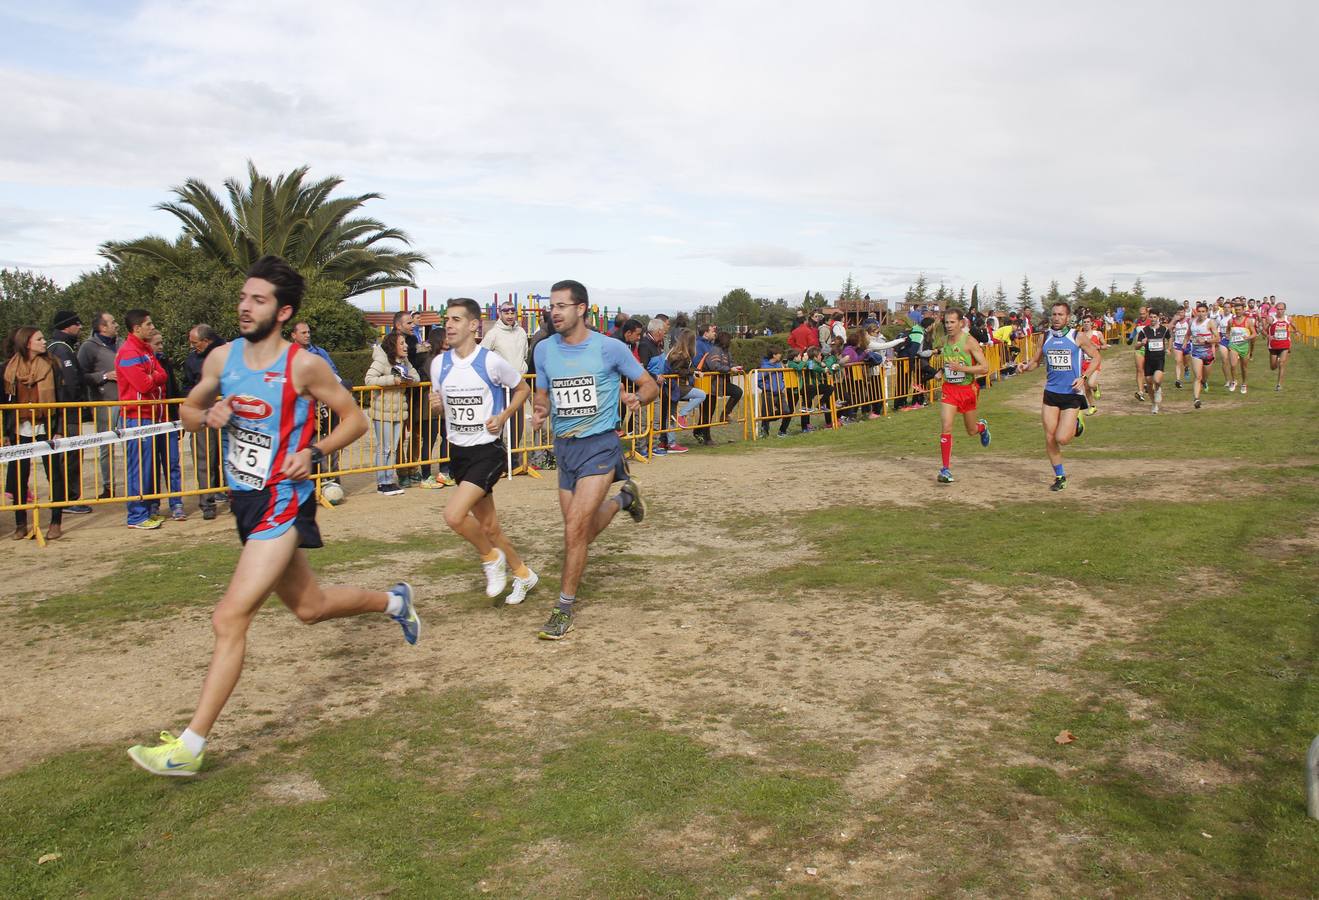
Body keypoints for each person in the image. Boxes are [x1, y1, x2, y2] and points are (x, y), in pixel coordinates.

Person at [126, 255, 419, 777]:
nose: (244, 306)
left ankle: (189, 748)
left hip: (284, 499)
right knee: (310, 607)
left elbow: (354, 419)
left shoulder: (301, 365)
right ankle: (395, 603)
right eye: (243, 296)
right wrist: (207, 414)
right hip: (245, 499)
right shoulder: (222, 358)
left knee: (229, 617)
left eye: (257, 300)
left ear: (282, 311)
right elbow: (186, 412)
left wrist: (315, 451)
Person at [529, 279, 658, 640]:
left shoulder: (609, 348)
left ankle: (563, 608)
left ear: (581, 308)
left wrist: (637, 400)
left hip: (600, 446)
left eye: (562, 306)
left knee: (573, 529)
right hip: (565, 449)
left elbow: (650, 386)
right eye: (552, 306)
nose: (554, 312)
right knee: (579, 531)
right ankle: (624, 500)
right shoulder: (543, 350)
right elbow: (542, 394)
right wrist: (540, 412)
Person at [431, 298, 538, 605]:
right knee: (490, 527)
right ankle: (523, 574)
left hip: (487, 451)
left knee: (453, 516)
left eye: (455, 319)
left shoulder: (489, 361)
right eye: (446, 319)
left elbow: (522, 389)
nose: (448, 325)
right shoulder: (439, 363)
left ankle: (491, 559)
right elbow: (438, 402)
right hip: (458, 452)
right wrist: (436, 406)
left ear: (474, 325)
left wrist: (503, 416)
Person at [1018, 301, 1100, 491]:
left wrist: (1084, 377)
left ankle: (1078, 422)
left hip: (1071, 394)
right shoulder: (1045, 337)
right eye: (1054, 314)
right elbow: (1035, 362)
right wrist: (1024, 367)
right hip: (1051, 394)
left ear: (1068, 317)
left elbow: (1096, 357)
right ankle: (1060, 476)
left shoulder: (1076, 336)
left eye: (1060, 315)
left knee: (1063, 438)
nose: (1056, 318)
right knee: (1049, 437)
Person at [3, 326, 70, 540]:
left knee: (54, 474)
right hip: (18, 428)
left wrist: (59, 429)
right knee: (18, 475)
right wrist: (4, 432)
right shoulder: (8, 368)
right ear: (27, 343)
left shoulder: (53, 366)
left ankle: (55, 522)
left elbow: (61, 399)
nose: (44, 342)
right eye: (39, 339)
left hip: (46, 425)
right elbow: (4, 403)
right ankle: (20, 523)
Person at [115, 309, 168, 529]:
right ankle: (136, 515)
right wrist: (152, 377)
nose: (152, 327)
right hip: (136, 417)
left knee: (148, 468)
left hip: (151, 416)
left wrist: (153, 376)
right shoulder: (128, 352)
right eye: (149, 324)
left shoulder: (145, 350)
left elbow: (163, 375)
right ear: (137, 328)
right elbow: (143, 385)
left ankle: (145, 511)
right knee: (138, 468)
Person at [45, 311, 93, 515]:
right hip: (67, 412)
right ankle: (68, 498)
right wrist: (78, 406)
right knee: (71, 454)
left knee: (66, 455)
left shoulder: (54, 347)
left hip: (61, 412)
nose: (80, 327)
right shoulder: (62, 349)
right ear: (67, 326)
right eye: (77, 324)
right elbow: (71, 383)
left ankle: (63, 496)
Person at [935, 309, 991, 484]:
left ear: (961, 323)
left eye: (952, 322)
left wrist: (963, 369)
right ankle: (945, 470)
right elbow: (948, 362)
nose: (949, 326)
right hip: (950, 389)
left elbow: (985, 368)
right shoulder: (944, 341)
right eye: (946, 322)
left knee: (971, 430)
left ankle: (981, 427)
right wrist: (941, 370)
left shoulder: (970, 342)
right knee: (946, 426)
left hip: (968, 390)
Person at [365, 329, 419, 495]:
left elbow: (417, 378)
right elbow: (368, 380)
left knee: (394, 447)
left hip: (398, 411)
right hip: (382, 411)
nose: (406, 346)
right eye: (402, 343)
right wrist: (392, 380)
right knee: (384, 447)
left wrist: (408, 381)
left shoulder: (405, 361)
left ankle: (390, 479)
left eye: (405, 343)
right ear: (392, 346)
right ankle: (382, 482)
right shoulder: (381, 360)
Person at [481, 299, 531, 473]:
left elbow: (524, 354)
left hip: (518, 385)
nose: (510, 315)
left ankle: (513, 458)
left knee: (517, 424)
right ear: (500, 314)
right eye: (506, 312)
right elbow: (482, 356)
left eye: (512, 312)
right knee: (499, 423)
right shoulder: (493, 334)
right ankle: (497, 460)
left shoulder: (522, 332)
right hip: (499, 386)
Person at [184, 325, 227, 519]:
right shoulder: (192, 360)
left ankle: (237, 497)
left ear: (206, 341)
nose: (193, 347)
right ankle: (207, 503)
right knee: (204, 459)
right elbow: (186, 385)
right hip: (203, 414)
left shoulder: (228, 354)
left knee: (230, 456)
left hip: (228, 413)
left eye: (195, 343)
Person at [77, 311, 121, 498]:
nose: (116, 324)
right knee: (107, 446)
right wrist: (104, 376)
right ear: (102, 327)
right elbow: (81, 375)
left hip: (128, 400)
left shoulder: (122, 342)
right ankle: (108, 486)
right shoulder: (88, 347)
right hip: (105, 402)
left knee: (134, 442)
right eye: (112, 322)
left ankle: (138, 484)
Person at [149, 332, 187, 521]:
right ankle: (153, 504)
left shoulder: (166, 364)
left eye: (162, 343)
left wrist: (178, 419)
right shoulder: (144, 364)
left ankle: (177, 503)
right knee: (152, 466)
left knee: (172, 464)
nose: (161, 346)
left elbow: (175, 392)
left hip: (168, 423)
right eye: (157, 344)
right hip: (149, 423)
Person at [693, 330, 743, 445]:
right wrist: (730, 369)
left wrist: (736, 367)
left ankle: (724, 414)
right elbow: (714, 366)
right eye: (729, 339)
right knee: (707, 412)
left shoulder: (726, 351)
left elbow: (730, 363)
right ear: (725, 340)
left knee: (737, 392)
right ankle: (705, 437)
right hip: (709, 384)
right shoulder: (715, 350)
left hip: (720, 384)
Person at [1133, 312, 1170, 414]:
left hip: (1159, 359)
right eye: (1151, 317)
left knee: (1157, 380)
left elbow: (1169, 337)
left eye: (1155, 317)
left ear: (1158, 318)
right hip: (1148, 360)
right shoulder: (1144, 331)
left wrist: (1169, 348)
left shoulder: (1164, 329)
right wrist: (1141, 343)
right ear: (1149, 318)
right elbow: (1136, 347)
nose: (1153, 319)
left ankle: (1158, 389)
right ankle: (1154, 404)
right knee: (1149, 383)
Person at [1188, 302, 1218, 409]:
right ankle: (1196, 399)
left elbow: (1217, 338)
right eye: (1199, 311)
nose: (1201, 314)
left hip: (1208, 353)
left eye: (1203, 312)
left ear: (1207, 312)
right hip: (1196, 353)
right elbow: (1188, 333)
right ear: (1197, 312)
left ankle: (1205, 382)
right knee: (1198, 377)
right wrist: (1185, 343)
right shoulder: (1192, 322)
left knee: (1204, 378)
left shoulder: (1210, 323)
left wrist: (1205, 340)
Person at [757, 348, 791, 437]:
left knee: (786, 412)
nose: (780, 355)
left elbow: (783, 376)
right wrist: (768, 388)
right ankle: (764, 432)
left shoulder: (779, 365)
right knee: (766, 413)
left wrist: (782, 385)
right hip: (768, 393)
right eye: (779, 353)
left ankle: (782, 431)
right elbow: (759, 380)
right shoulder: (765, 366)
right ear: (774, 355)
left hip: (779, 393)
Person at [1224, 300, 1256, 394]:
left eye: (1239, 309)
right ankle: (1234, 381)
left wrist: (1248, 337)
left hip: (1244, 346)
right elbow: (1227, 331)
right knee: (1233, 365)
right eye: (1236, 310)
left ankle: (1244, 384)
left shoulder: (1248, 321)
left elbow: (1254, 333)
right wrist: (1228, 336)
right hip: (1233, 345)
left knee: (1244, 367)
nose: (1237, 311)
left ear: (1243, 310)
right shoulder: (1231, 321)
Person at [1266, 301, 1294, 390]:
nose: (1279, 311)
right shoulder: (1271, 319)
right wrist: (1268, 336)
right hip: (1273, 345)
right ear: (1276, 309)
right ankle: (1277, 361)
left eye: (1281, 309)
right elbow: (1263, 329)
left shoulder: (1288, 319)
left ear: (1285, 310)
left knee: (1282, 364)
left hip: (1285, 344)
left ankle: (1279, 385)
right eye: (1278, 309)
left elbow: (1293, 326)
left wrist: (1296, 331)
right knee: (1273, 367)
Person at [1169, 309, 1192, 389]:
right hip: (1177, 344)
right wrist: (1173, 320)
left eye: (1181, 312)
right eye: (1178, 313)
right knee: (1178, 361)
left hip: (1187, 344)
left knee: (1186, 362)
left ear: (1184, 313)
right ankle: (1178, 380)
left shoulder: (1188, 321)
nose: (1180, 314)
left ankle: (1186, 368)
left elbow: (1192, 329)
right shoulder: (1175, 321)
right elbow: (1169, 328)